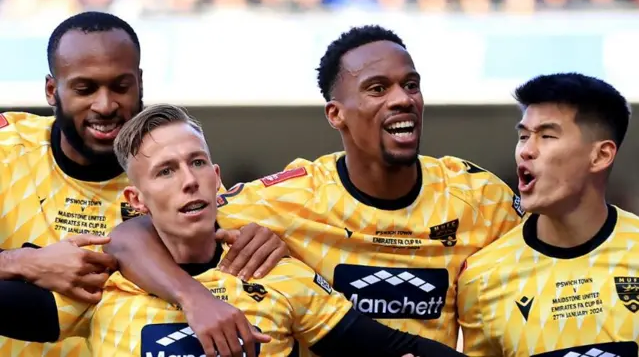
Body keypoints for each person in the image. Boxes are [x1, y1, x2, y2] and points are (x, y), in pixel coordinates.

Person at [105, 24, 525, 351]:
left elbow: (558, 250)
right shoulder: (285, 198)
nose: (403, 99)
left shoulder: (479, 198)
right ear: (335, 114)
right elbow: (134, 233)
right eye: (378, 88)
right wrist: (193, 296)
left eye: (411, 85)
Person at [0, 104, 467, 357]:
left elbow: (394, 348)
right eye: (165, 172)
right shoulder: (100, 286)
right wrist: (16, 261)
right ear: (135, 200)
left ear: (217, 177)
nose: (188, 180)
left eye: (197, 162)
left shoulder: (278, 275)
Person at [0, 11, 286, 357]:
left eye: (120, 86)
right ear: (51, 89)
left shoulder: (176, 172)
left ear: (140, 83)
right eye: (85, 88)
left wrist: (270, 235)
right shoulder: (7, 147)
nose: (105, 106)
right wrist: (21, 262)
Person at [457, 73, 639, 356]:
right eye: (523, 136)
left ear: (601, 155)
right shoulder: (483, 277)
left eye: (547, 136)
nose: (526, 151)